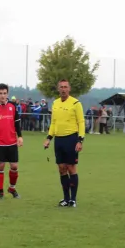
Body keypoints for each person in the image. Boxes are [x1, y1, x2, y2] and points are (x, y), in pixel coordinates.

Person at [43, 79, 85, 208]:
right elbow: (54, 123)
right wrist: (49, 138)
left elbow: (81, 122)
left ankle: (73, 199)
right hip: (59, 140)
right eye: (61, 87)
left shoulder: (76, 103)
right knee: (62, 169)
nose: (63, 89)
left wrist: (80, 140)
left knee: (71, 168)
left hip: (71, 139)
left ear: (69, 88)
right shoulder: (55, 103)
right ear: (58, 89)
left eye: (65, 87)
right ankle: (66, 198)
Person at [0, 83, 23, 200]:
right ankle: (0, 192)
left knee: (14, 166)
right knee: (1, 166)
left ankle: (12, 188)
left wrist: (20, 136)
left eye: (5, 93)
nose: (3, 96)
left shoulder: (12, 106)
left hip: (12, 142)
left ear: (8, 94)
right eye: (0, 93)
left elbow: (17, 123)